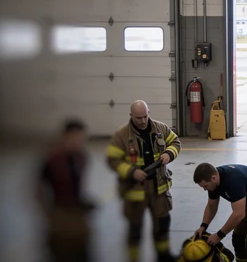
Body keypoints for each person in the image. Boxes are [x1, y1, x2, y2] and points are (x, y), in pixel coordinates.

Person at [106, 100, 181, 262]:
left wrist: (169, 153)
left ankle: (163, 257)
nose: (142, 121)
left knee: (162, 226)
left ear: (149, 113)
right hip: (135, 191)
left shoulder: (160, 128)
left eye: (145, 116)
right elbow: (113, 159)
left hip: (159, 187)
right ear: (131, 116)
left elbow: (175, 142)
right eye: (138, 117)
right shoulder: (122, 135)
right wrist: (131, 172)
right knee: (135, 230)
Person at [193, 162, 247, 262]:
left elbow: (239, 214)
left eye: (205, 186)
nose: (205, 189)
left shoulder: (234, 180)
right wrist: (203, 226)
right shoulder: (214, 181)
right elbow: (212, 206)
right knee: (239, 239)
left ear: (213, 178)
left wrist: (219, 235)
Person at [37, 119, 93, 262]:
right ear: (65, 136)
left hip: (78, 216)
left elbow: (78, 185)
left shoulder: (82, 157)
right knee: (61, 254)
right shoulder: (53, 160)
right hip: (60, 215)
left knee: (83, 253)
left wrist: (84, 202)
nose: (77, 142)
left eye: (80, 138)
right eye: (74, 137)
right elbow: (39, 190)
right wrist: (50, 215)